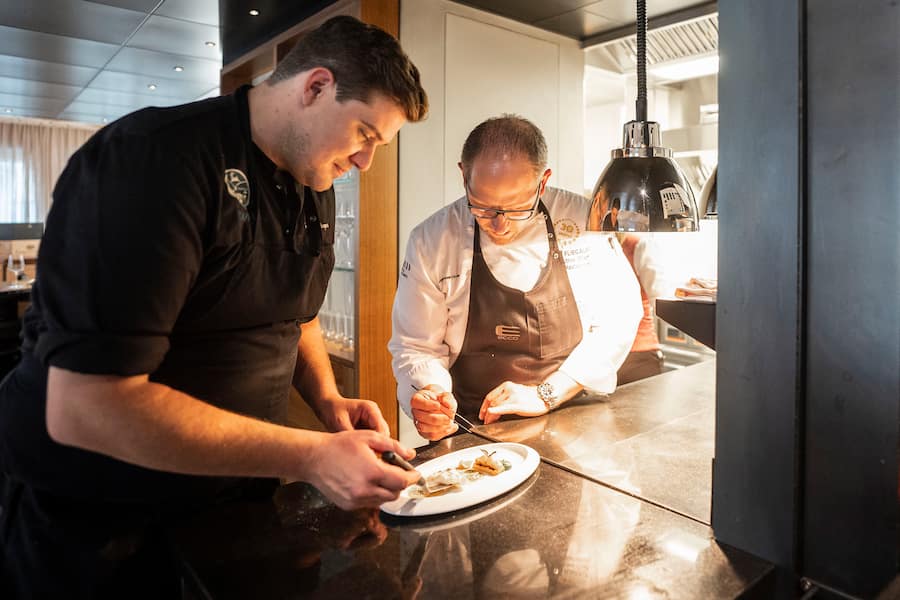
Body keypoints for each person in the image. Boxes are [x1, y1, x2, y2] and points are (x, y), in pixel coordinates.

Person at [0, 15, 428, 598]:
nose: (364, 161)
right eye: (364, 134)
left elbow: (294, 314)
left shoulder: (312, 182)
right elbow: (87, 406)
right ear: (316, 86)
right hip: (102, 523)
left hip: (234, 507)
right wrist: (312, 457)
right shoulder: (154, 160)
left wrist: (328, 403)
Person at [389, 115, 641, 441]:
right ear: (464, 175)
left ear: (543, 182)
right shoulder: (432, 240)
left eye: (518, 208)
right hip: (474, 427)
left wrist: (547, 393)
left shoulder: (583, 221)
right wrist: (430, 395)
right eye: (482, 208)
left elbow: (619, 318)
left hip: (574, 421)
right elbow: (416, 346)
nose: (500, 225)